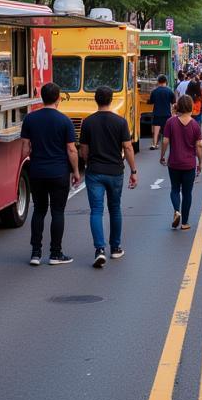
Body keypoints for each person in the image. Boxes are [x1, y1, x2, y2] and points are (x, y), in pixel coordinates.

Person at [19, 81, 79, 266]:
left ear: (42, 98)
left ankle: (35, 253)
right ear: (58, 98)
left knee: (38, 211)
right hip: (59, 172)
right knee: (57, 212)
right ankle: (55, 253)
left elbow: (25, 148)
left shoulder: (30, 119)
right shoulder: (65, 121)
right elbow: (71, 150)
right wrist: (76, 171)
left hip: (37, 171)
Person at [79, 86, 138, 267]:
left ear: (95, 100)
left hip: (95, 171)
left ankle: (99, 249)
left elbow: (83, 150)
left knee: (96, 210)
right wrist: (133, 171)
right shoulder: (120, 122)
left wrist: (88, 162)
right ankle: (115, 247)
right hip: (115, 172)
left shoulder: (87, 122)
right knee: (115, 208)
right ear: (111, 100)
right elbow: (128, 148)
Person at [161, 94, 202, 230]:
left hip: (174, 162)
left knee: (174, 189)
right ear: (191, 107)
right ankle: (184, 222)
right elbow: (199, 146)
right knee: (187, 193)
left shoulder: (171, 122)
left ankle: (176, 211)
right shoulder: (195, 125)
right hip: (189, 164)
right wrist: (200, 162)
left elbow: (165, 141)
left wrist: (162, 155)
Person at [149, 75, 176, 150]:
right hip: (167, 114)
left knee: (156, 129)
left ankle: (154, 144)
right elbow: (173, 102)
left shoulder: (154, 91)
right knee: (166, 132)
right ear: (166, 82)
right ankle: (166, 144)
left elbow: (151, 102)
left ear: (158, 82)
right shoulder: (170, 91)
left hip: (157, 113)